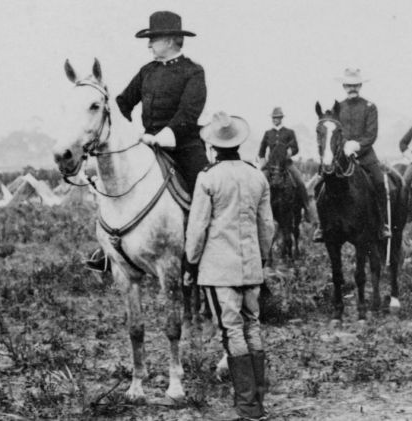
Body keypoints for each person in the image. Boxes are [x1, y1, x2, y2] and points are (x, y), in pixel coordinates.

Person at [86, 11, 209, 272]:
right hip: (147, 145)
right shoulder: (146, 71)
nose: (149, 44)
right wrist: (121, 129)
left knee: (207, 190)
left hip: (185, 147)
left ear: (171, 40)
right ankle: (110, 249)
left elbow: (189, 113)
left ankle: (216, 245)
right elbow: (121, 104)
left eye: (154, 38)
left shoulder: (193, 72)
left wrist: (161, 137)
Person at [186, 111, 274, 421]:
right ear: (238, 142)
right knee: (253, 326)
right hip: (251, 266)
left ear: (212, 145)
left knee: (232, 331)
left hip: (218, 269)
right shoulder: (256, 175)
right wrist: (261, 259)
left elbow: (197, 227)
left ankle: (247, 406)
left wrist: (191, 262)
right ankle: (258, 402)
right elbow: (267, 225)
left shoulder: (208, 177)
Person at [332, 68, 391, 241]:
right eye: (349, 85)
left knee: (379, 182)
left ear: (360, 85)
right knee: (323, 181)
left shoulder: (370, 107)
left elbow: (371, 134)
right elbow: (335, 133)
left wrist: (357, 145)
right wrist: (344, 146)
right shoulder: (338, 108)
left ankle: (383, 224)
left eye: (356, 85)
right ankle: (323, 226)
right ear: (344, 86)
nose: (352, 88)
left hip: (365, 154)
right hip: (342, 156)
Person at [257, 107, 320, 235]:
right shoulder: (268, 133)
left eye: (277, 118)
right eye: (274, 118)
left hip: (286, 164)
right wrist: (262, 161)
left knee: (300, 182)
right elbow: (261, 150)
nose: (275, 120)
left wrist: (290, 152)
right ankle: (256, 210)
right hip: (271, 165)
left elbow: (296, 147)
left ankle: (307, 209)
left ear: (281, 118)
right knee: (258, 182)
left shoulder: (289, 132)